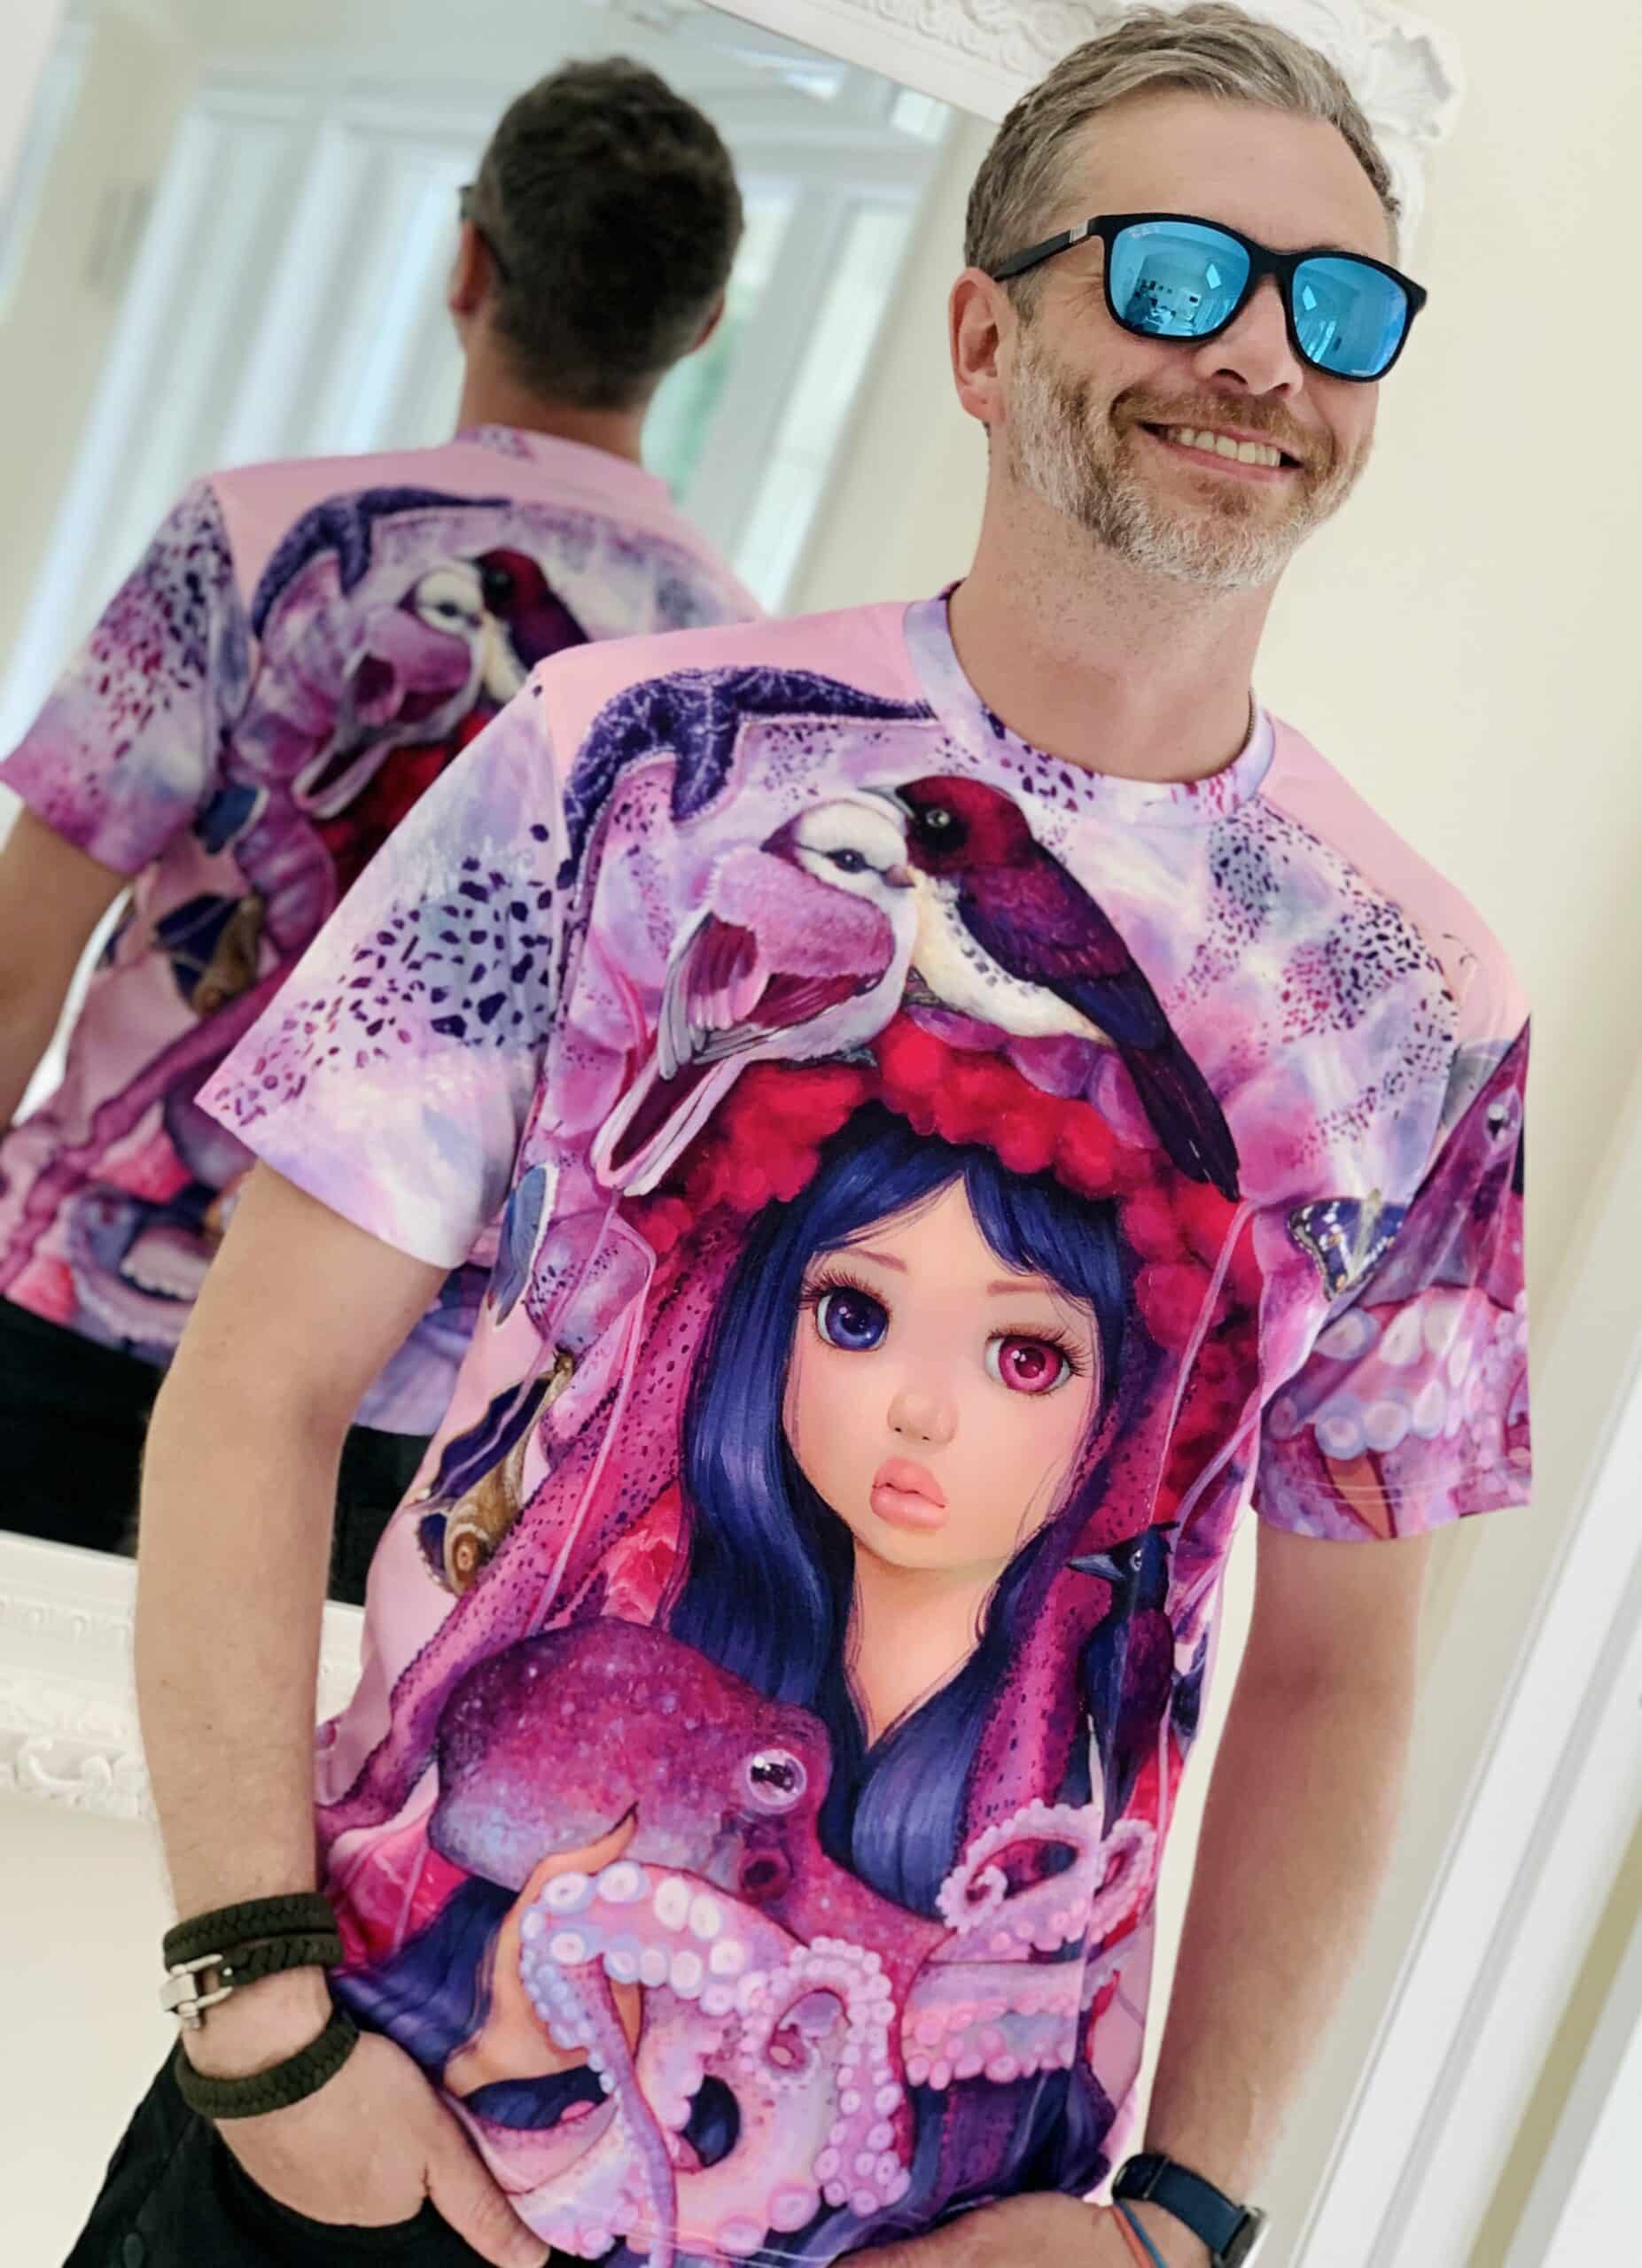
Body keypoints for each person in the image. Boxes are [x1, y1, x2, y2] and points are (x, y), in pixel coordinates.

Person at [69, 9, 1531, 2268]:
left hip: (926, 2218)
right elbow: (260, 1377)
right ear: (983, 338)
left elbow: (1344, 1656)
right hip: (379, 2139)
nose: (1259, 353)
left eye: (1337, 306)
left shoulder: (1421, 1001)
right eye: (1173, 274)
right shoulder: (618, 760)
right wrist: (256, 2007)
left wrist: (1182, 2221)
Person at [0, 57, 758, 1599]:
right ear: (700, 329)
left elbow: (21, 956)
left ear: (467, 262)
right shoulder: (733, 681)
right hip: (387, 1394)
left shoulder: (250, 534)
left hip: (82, 1302)